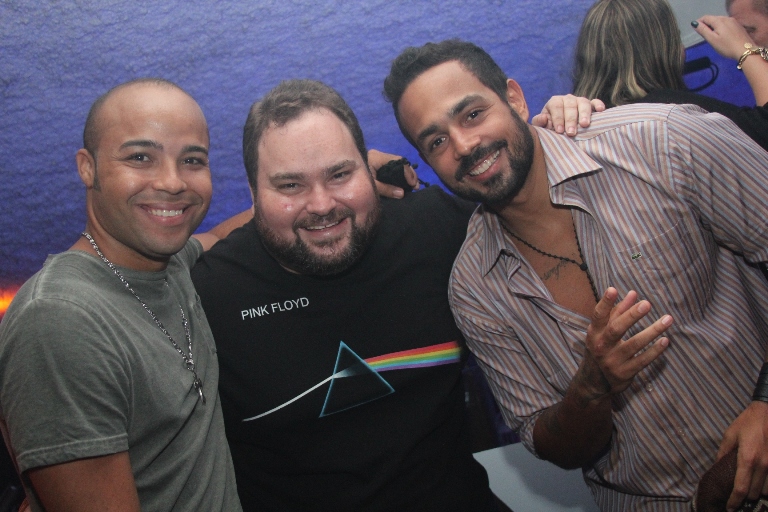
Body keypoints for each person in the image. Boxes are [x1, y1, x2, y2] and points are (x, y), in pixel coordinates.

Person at [384, 39, 768, 511]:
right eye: (436, 142)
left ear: (514, 98)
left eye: (472, 114)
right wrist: (589, 387)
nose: (464, 145)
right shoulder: (473, 289)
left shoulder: (663, 142)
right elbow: (556, 449)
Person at [191, 79, 499, 512]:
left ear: (367, 169)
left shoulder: (439, 230)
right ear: (253, 193)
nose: (321, 205)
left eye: (339, 174)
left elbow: (536, 203)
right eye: (290, 185)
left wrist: (567, 126)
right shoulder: (207, 297)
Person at [0, 79, 242, 511]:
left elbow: (221, 235)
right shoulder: (61, 319)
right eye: (140, 157)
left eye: (192, 160)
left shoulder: (168, 265)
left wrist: (328, 179)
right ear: (87, 167)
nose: (172, 182)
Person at [570, 0, 768, 151]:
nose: (682, 50)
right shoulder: (678, 114)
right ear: (664, 49)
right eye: (676, 38)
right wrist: (746, 51)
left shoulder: (573, 126)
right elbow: (764, 129)